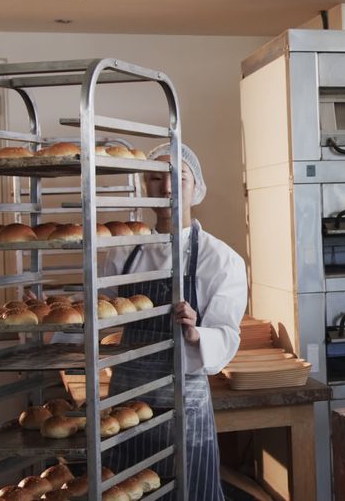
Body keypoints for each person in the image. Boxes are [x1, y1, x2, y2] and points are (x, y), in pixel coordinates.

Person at [49, 143, 245, 499]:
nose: (167, 188)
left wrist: (196, 330)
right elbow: (94, 315)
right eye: (155, 179)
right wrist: (50, 327)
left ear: (196, 187)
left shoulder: (221, 260)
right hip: (125, 408)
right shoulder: (124, 253)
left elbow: (227, 337)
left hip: (183, 411)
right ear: (144, 187)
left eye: (178, 178)